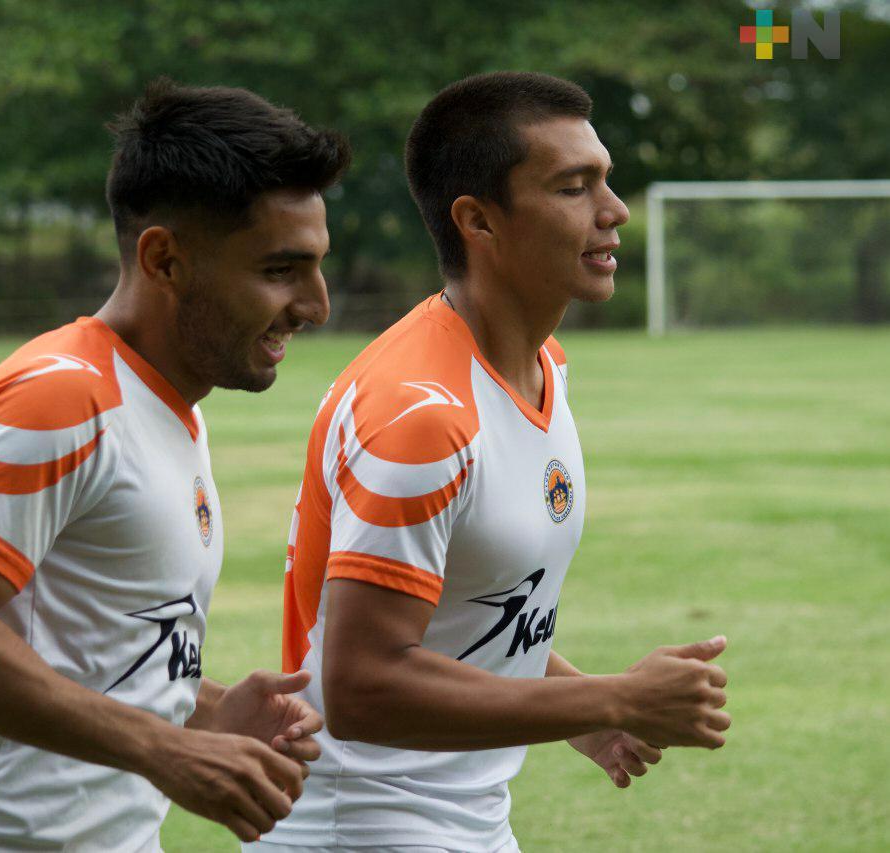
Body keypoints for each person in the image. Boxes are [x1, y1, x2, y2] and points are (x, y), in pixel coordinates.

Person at [249, 71, 730, 853]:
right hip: (364, 823)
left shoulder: (542, 366)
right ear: (477, 220)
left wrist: (587, 708)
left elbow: (474, 615)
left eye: (605, 180)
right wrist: (614, 698)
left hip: (464, 817)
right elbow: (364, 687)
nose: (613, 211)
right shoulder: (419, 416)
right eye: (574, 187)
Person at [0, 79, 351, 851]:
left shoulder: (166, 406)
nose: (316, 304)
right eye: (279, 270)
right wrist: (166, 749)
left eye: (316, 266)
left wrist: (203, 710)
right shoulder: (60, 395)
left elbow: (84, 650)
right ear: (164, 259)